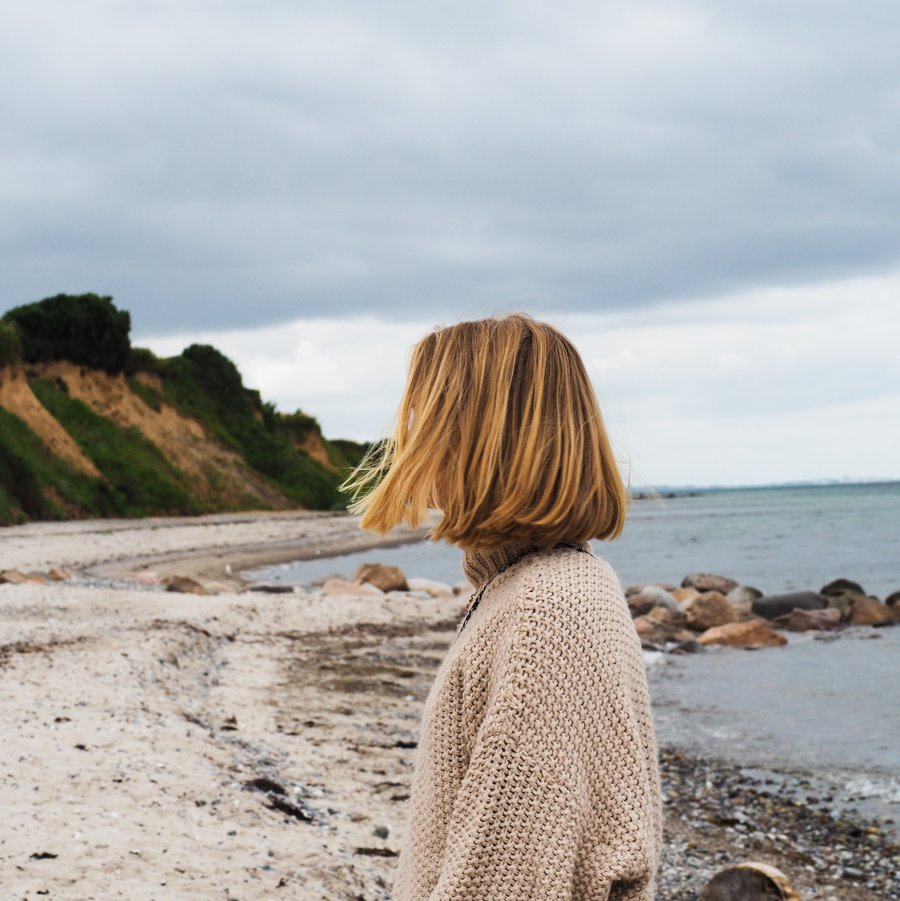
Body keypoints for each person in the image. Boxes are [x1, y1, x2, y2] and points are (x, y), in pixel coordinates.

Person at [342, 313, 662, 900]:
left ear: (484, 431)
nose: (409, 435)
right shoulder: (534, 590)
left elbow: (504, 881)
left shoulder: (549, 610)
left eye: (428, 412)